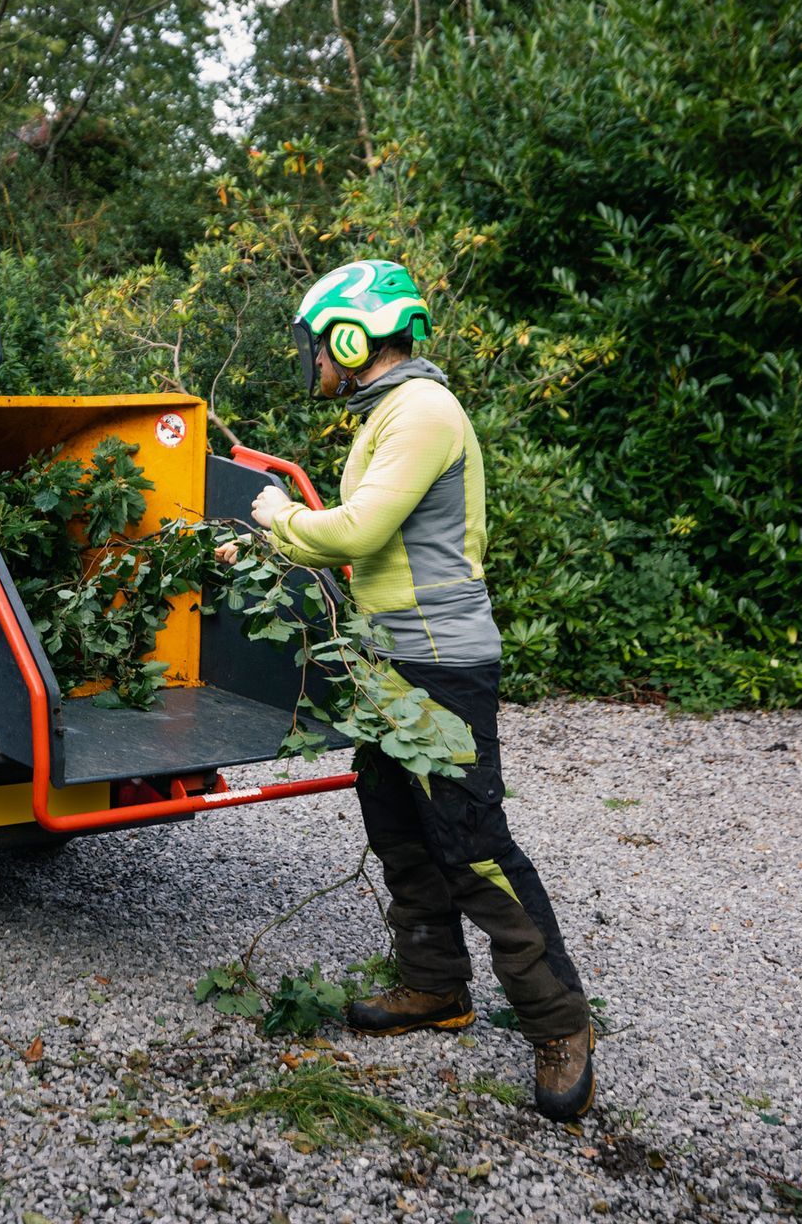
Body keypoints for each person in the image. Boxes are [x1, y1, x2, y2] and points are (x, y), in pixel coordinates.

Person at [217, 259, 596, 1121]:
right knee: (396, 824)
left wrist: (274, 516)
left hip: (440, 665)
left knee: (472, 842)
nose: (311, 358)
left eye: (318, 342)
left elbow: (358, 530)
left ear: (352, 339)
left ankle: (560, 1023)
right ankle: (434, 987)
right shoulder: (389, 411)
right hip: (390, 659)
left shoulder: (423, 412)